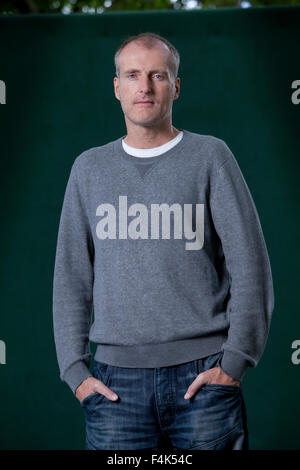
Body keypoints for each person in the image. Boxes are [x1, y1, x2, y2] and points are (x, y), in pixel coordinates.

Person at [52, 32, 274, 451]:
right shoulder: (88, 169)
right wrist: (75, 373)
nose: (145, 86)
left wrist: (234, 362)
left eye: (158, 74)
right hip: (115, 385)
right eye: (133, 75)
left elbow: (251, 266)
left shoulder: (211, 157)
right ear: (117, 87)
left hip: (204, 379)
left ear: (176, 86)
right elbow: (71, 278)